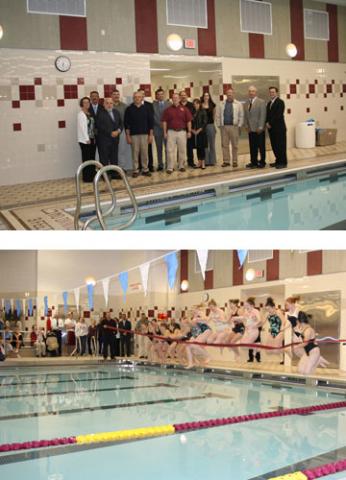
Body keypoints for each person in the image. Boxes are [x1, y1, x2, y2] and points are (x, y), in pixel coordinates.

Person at [124, 91, 153, 178]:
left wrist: (151, 135)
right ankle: (135, 170)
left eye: (139, 97)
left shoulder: (146, 108)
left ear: (142, 98)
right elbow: (126, 124)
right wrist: (128, 136)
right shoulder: (129, 109)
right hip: (133, 135)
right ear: (133, 98)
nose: (137, 98)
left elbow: (150, 122)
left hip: (145, 134)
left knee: (145, 153)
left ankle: (145, 169)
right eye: (135, 97)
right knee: (135, 153)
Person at [162, 92, 193, 174]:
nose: (175, 99)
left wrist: (189, 131)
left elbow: (189, 121)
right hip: (171, 132)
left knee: (182, 150)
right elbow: (164, 122)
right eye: (173, 98)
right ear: (172, 99)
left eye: (176, 98)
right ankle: (170, 167)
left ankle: (181, 166)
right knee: (169, 150)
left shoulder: (185, 109)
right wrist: (165, 132)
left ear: (179, 99)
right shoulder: (167, 110)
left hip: (182, 132)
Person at [215, 88, 244, 168]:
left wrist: (239, 125)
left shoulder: (238, 104)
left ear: (233, 94)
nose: (229, 95)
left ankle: (235, 161)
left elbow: (241, 116)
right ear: (226, 94)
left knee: (235, 145)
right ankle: (226, 161)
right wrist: (219, 125)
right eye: (228, 93)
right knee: (224, 145)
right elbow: (217, 115)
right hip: (224, 127)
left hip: (234, 127)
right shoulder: (221, 104)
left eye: (231, 93)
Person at [96, 97, 123, 178]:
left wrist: (118, 131)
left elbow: (121, 124)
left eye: (111, 103)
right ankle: (105, 175)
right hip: (104, 140)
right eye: (107, 103)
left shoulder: (116, 112)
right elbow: (99, 126)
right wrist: (110, 133)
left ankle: (114, 174)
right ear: (104, 104)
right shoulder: (100, 113)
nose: (109, 105)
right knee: (104, 159)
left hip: (115, 140)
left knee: (114, 157)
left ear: (113, 104)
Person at [233, 297, 262, 362]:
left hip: (254, 331)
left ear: (251, 305)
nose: (245, 306)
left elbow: (260, 320)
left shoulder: (255, 311)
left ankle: (256, 347)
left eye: (246, 305)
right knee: (243, 344)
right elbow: (243, 318)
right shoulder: (246, 311)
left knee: (246, 344)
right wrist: (236, 318)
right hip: (248, 331)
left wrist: (256, 322)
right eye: (245, 305)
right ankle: (255, 346)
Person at [244, 85, 266, 169]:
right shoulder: (246, 103)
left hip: (259, 129)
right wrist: (246, 126)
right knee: (252, 147)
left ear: (256, 92)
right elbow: (246, 116)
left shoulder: (261, 102)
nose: (251, 93)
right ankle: (253, 162)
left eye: (253, 91)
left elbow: (263, 115)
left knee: (261, 146)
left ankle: (262, 162)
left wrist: (260, 127)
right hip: (250, 129)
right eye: (250, 91)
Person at [266, 86, 287, 169]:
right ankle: (278, 161)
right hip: (271, 129)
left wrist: (270, 123)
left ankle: (283, 162)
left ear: (276, 93)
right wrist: (266, 122)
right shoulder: (269, 103)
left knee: (281, 145)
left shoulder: (280, 102)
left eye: (273, 92)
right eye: (270, 92)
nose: (271, 93)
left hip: (279, 128)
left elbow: (278, 115)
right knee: (274, 145)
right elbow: (267, 115)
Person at [111, 89, 132, 172]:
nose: (116, 96)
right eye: (114, 94)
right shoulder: (108, 105)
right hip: (111, 132)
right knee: (112, 150)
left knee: (121, 150)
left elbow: (127, 120)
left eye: (117, 94)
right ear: (111, 96)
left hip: (122, 130)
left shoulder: (124, 106)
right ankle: (113, 168)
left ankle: (121, 168)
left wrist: (127, 132)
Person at [77, 96, 96, 182]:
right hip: (85, 141)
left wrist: (93, 138)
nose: (87, 104)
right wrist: (86, 139)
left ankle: (92, 175)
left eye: (88, 102)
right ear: (81, 104)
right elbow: (82, 128)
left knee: (92, 158)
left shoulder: (89, 113)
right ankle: (87, 177)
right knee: (86, 159)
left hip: (92, 139)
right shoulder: (81, 114)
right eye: (84, 102)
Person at [152, 88, 170, 171]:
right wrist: (161, 124)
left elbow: (171, 116)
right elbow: (153, 117)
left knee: (167, 148)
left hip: (167, 130)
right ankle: (160, 164)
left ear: (164, 95)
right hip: (157, 130)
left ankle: (168, 163)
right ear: (156, 95)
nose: (160, 96)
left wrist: (165, 125)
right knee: (159, 148)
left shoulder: (169, 104)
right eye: (158, 94)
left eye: (162, 94)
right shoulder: (153, 105)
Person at [263, 297, 285, 363]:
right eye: (267, 309)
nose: (268, 310)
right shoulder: (268, 314)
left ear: (273, 307)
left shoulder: (278, 312)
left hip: (279, 331)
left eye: (269, 309)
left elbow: (284, 322)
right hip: (272, 331)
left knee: (276, 349)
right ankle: (280, 357)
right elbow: (262, 322)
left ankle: (283, 358)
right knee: (268, 349)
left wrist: (280, 331)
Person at [137, 89, 155, 172]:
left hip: (147, 131)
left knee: (149, 149)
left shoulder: (149, 105)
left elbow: (151, 119)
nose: (142, 95)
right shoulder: (133, 105)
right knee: (139, 150)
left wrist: (151, 133)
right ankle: (140, 166)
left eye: (143, 94)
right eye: (140, 94)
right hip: (137, 132)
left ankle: (150, 165)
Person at [179, 90, 197, 168]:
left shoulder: (191, 105)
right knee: (181, 147)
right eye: (182, 95)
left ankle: (191, 162)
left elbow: (193, 117)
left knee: (190, 146)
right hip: (180, 129)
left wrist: (191, 129)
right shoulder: (177, 105)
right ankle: (181, 163)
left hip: (189, 129)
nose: (183, 96)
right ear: (180, 97)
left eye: (185, 95)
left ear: (187, 96)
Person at [201, 92, 217, 166]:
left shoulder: (213, 105)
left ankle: (212, 161)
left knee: (212, 144)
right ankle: (206, 161)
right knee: (205, 145)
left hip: (210, 126)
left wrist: (214, 126)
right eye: (205, 95)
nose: (206, 97)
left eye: (207, 95)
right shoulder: (201, 105)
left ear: (209, 97)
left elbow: (214, 116)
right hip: (203, 127)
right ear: (203, 97)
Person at [191, 98, 208, 169]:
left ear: (199, 104)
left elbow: (205, 122)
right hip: (195, 133)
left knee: (202, 147)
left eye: (197, 104)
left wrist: (199, 130)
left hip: (202, 132)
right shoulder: (193, 112)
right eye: (194, 104)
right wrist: (192, 130)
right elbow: (191, 122)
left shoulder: (203, 111)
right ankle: (199, 162)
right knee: (197, 148)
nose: (195, 105)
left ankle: (203, 163)